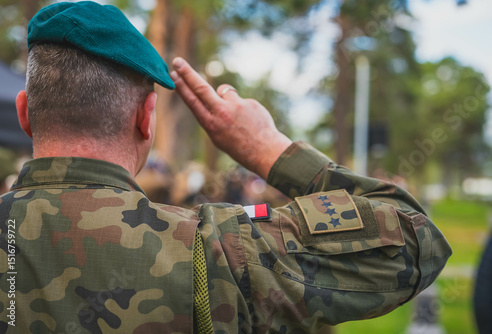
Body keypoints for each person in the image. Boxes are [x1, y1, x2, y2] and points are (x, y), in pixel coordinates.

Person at [0, 1, 451, 333]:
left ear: (25, 112)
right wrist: (270, 149)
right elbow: (414, 238)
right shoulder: (215, 252)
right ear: (145, 117)